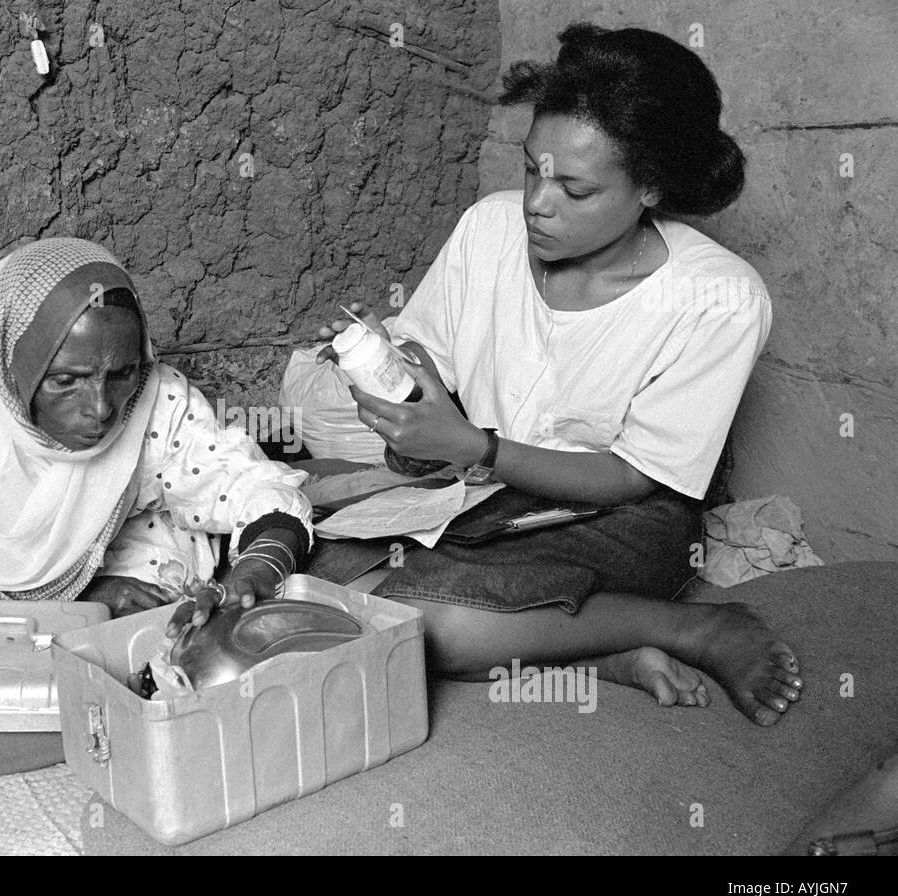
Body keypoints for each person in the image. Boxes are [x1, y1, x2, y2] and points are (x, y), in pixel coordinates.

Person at [316, 23, 803, 726]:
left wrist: (476, 447)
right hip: (490, 500)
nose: (537, 203)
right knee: (321, 578)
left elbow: (636, 477)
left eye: (574, 188)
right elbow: (434, 392)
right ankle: (599, 653)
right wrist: (396, 383)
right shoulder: (487, 230)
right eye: (531, 169)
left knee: (422, 626)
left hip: (624, 517)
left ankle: (687, 626)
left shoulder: (720, 296)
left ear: (651, 188)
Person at [0, 238, 310, 628]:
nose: (101, 408)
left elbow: (248, 484)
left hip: (120, 544)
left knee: (163, 609)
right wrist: (84, 597)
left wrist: (258, 568)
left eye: (120, 373)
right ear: (13, 365)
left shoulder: (153, 396)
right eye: (65, 381)